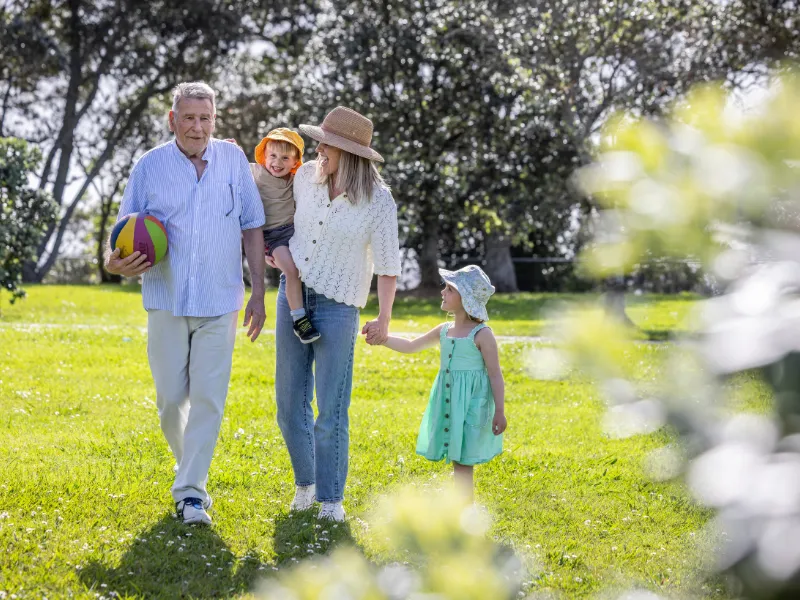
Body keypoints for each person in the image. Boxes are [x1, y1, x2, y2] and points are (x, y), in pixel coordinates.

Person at [105, 81, 267, 525]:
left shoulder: (235, 160)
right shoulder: (149, 166)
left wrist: (258, 290)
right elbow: (120, 233)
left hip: (221, 299)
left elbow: (252, 225)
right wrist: (115, 264)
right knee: (171, 399)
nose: (198, 127)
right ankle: (188, 467)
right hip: (166, 297)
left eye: (206, 118)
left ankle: (191, 492)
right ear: (172, 120)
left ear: (215, 119)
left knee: (210, 398)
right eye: (190, 118)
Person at [269, 106, 401, 522]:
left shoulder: (378, 201)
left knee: (331, 408)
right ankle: (305, 485)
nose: (318, 149)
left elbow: (388, 265)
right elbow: (271, 201)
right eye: (320, 142)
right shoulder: (306, 178)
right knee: (289, 403)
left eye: (326, 144)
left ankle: (331, 500)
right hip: (292, 297)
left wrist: (383, 317)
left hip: (338, 307)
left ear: (348, 152)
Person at [379, 265, 507, 500]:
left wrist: (499, 411)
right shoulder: (444, 330)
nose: (442, 292)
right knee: (457, 459)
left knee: (462, 461)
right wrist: (382, 339)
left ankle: (463, 513)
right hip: (449, 401)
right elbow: (410, 346)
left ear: (466, 298)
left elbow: (495, 374)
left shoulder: (482, 334)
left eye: (449, 289)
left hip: (471, 405)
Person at [250, 128, 320, 343]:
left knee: (309, 264)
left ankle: (313, 305)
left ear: (295, 161)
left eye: (285, 158)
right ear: (264, 156)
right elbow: (228, 167)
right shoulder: (255, 172)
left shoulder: (296, 178)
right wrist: (229, 147)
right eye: (272, 155)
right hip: (273, 236)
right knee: (291, 271)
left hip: (296, 231)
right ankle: (299, 319)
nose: (277, 162)